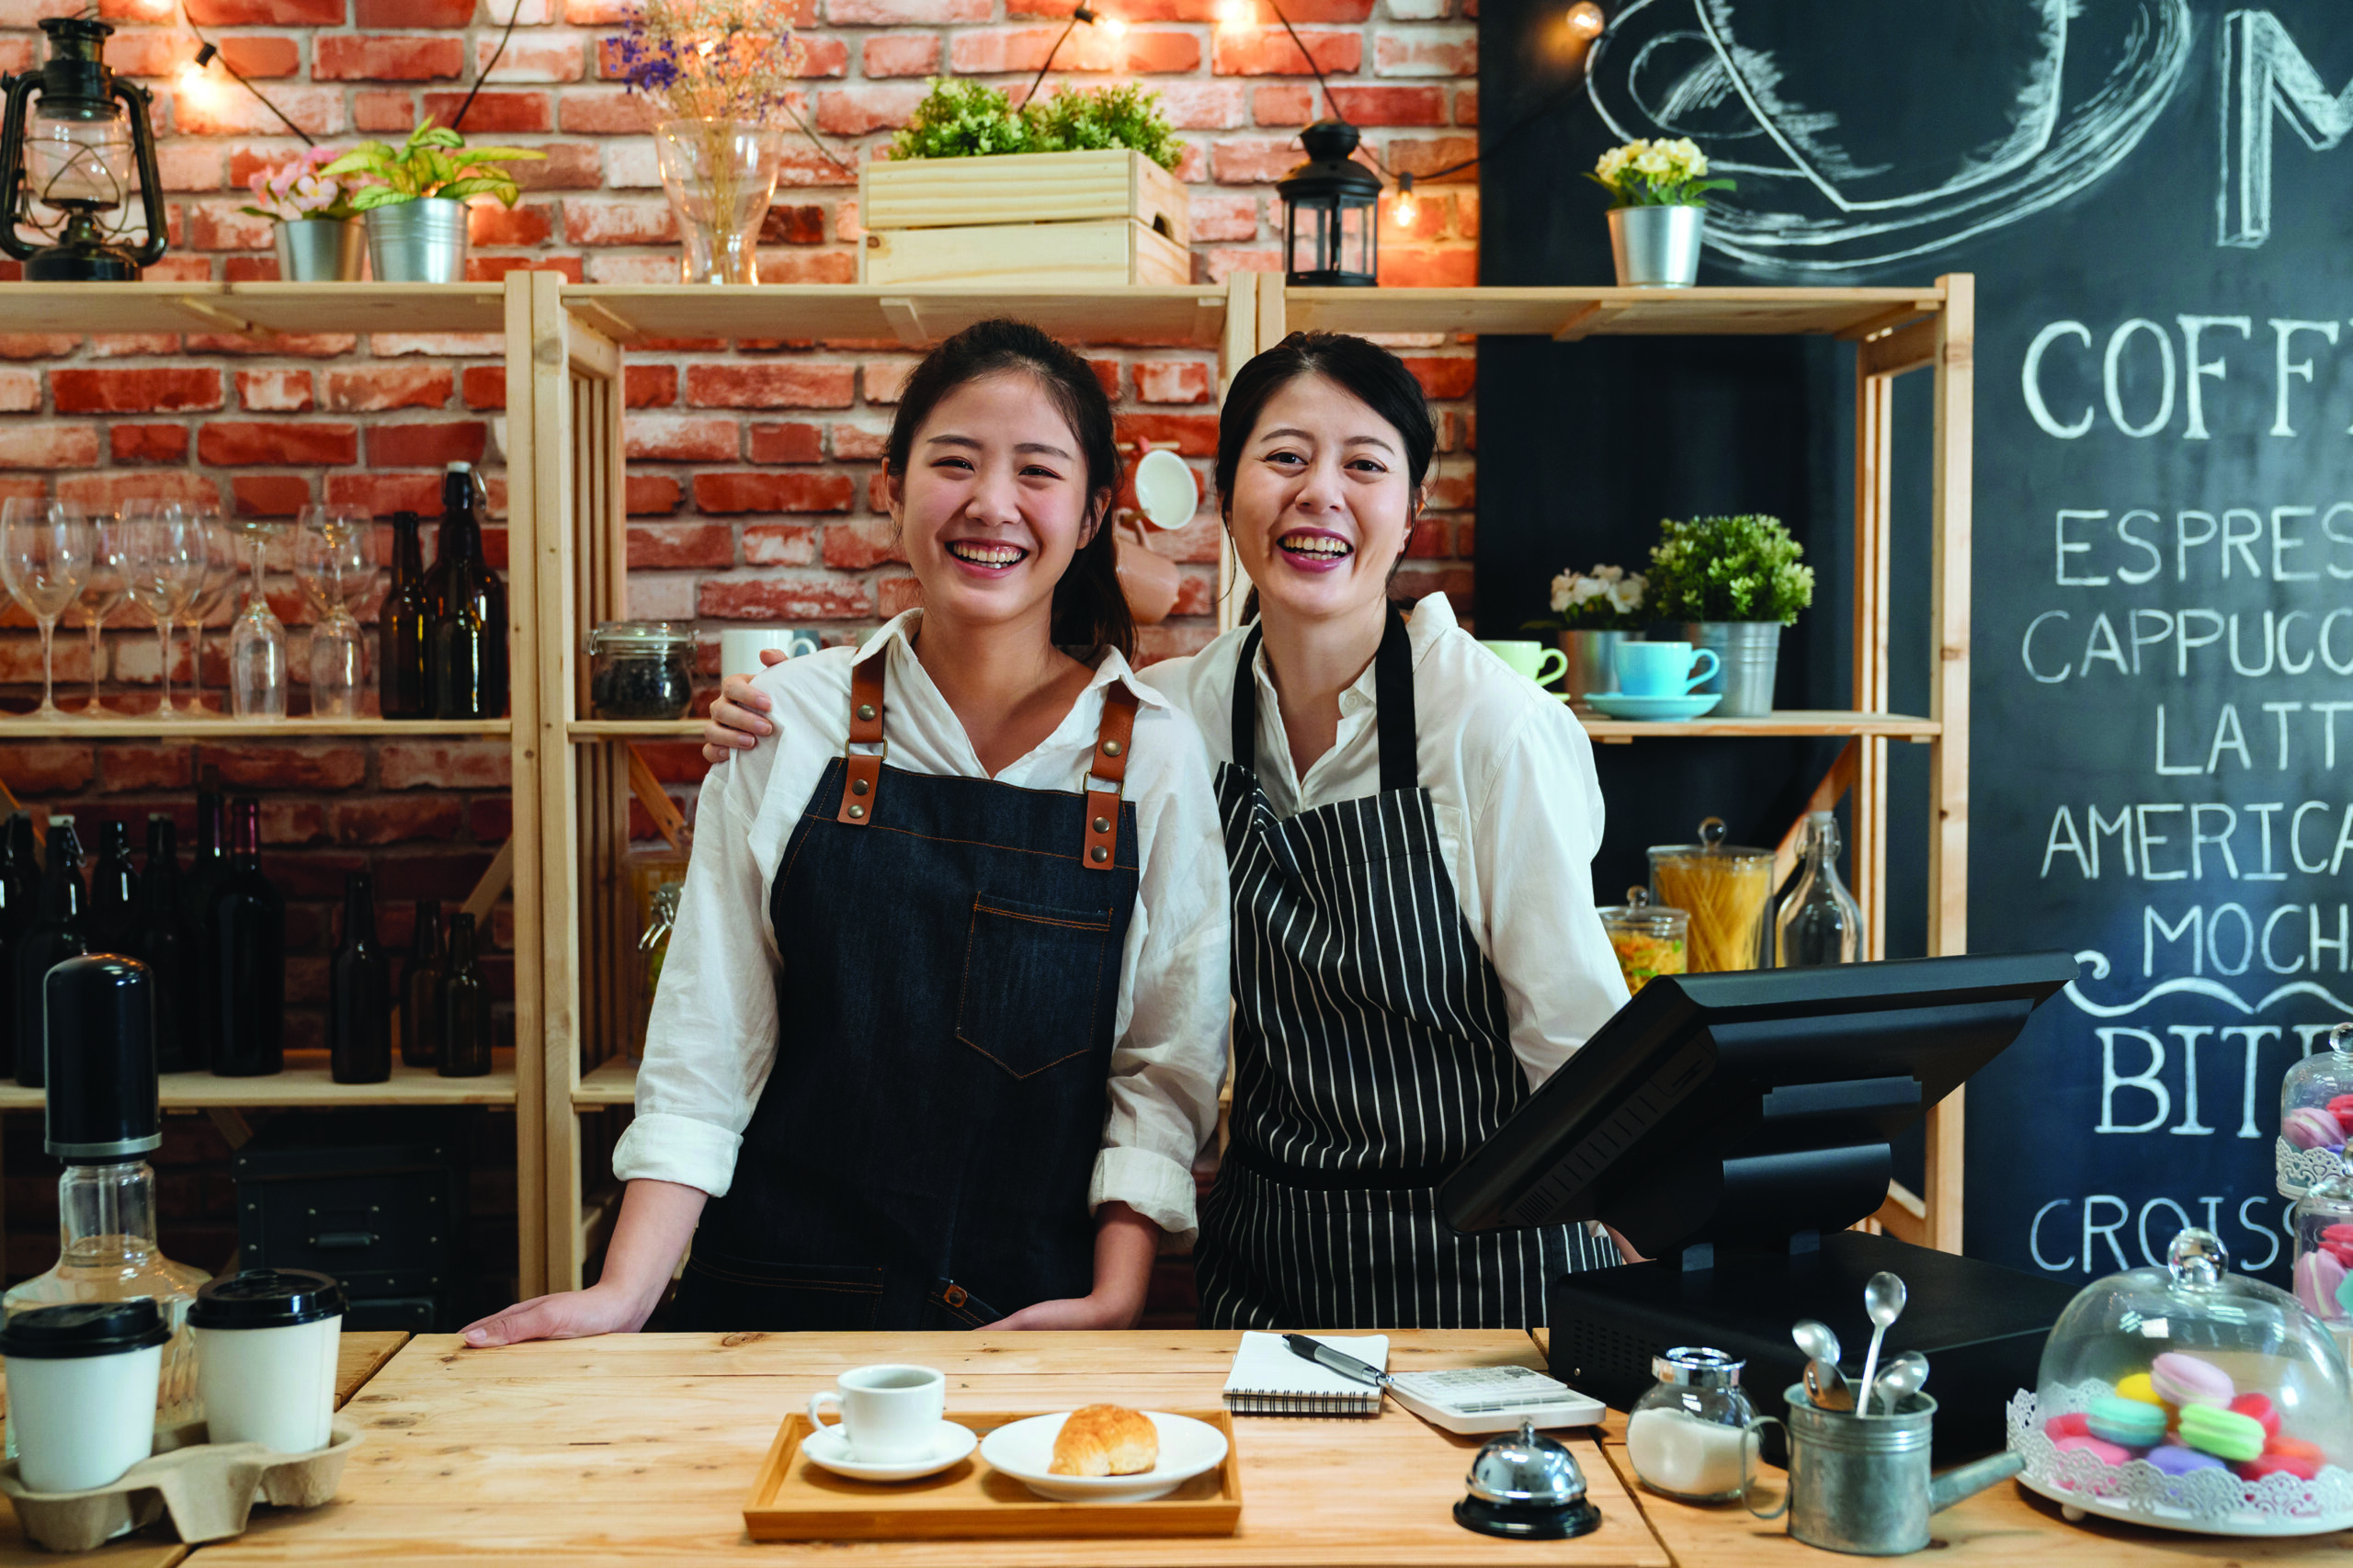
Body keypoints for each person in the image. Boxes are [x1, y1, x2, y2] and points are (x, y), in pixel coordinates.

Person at [703, 332, 1629, 1330]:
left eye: (1364, 464)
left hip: (1485, 1274)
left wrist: (1660, 1271)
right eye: (1283, 457)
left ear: (1410, 513)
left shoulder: (1494, 727)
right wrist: (785, 714)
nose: (1319, 492)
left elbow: (1573, 1034)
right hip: (1275, 1269)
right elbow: (993, 698)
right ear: (1226, 500)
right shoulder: (1182, 714)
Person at [464, 320, 1229, 1344]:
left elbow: (1162, 1063)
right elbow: (710, 1030)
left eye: (1035, 472)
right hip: (770, 1312)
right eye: (953, 462)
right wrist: (623, 1294)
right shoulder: (791, 719)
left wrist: (1115, 1295)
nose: (990, 504)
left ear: (1092, 515)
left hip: (1025, 1323)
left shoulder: (1154, 753)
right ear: (891, 484)